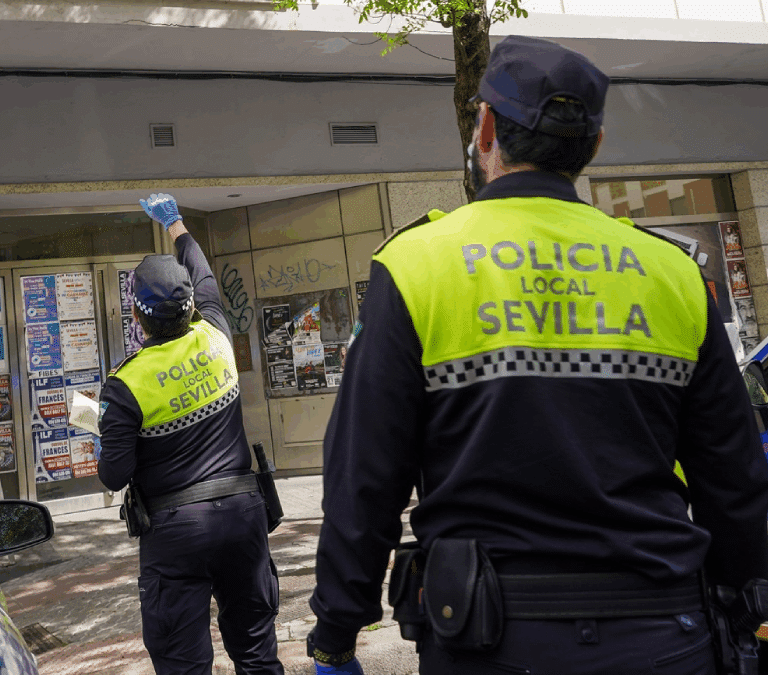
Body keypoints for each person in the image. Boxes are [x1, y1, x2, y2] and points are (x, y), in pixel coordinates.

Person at [305, 35, 768, 675]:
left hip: (485, 637)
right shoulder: (672, 272)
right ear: (594, 147)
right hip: (665, 632)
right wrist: (745, 603)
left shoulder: (417, 264)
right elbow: (734, 475)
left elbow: (364, 475)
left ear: (486, 128)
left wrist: (336, 629)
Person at [97, 193, 283, 675]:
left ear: (136, 317)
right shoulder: (217, 336)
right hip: (244, 518)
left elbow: (114, 475)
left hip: (176, 534)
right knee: (259, 656)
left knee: (183, 665)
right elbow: (201, 272)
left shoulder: (124, 386)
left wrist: (108, 433)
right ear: (190, 308)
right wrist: (175, 222)